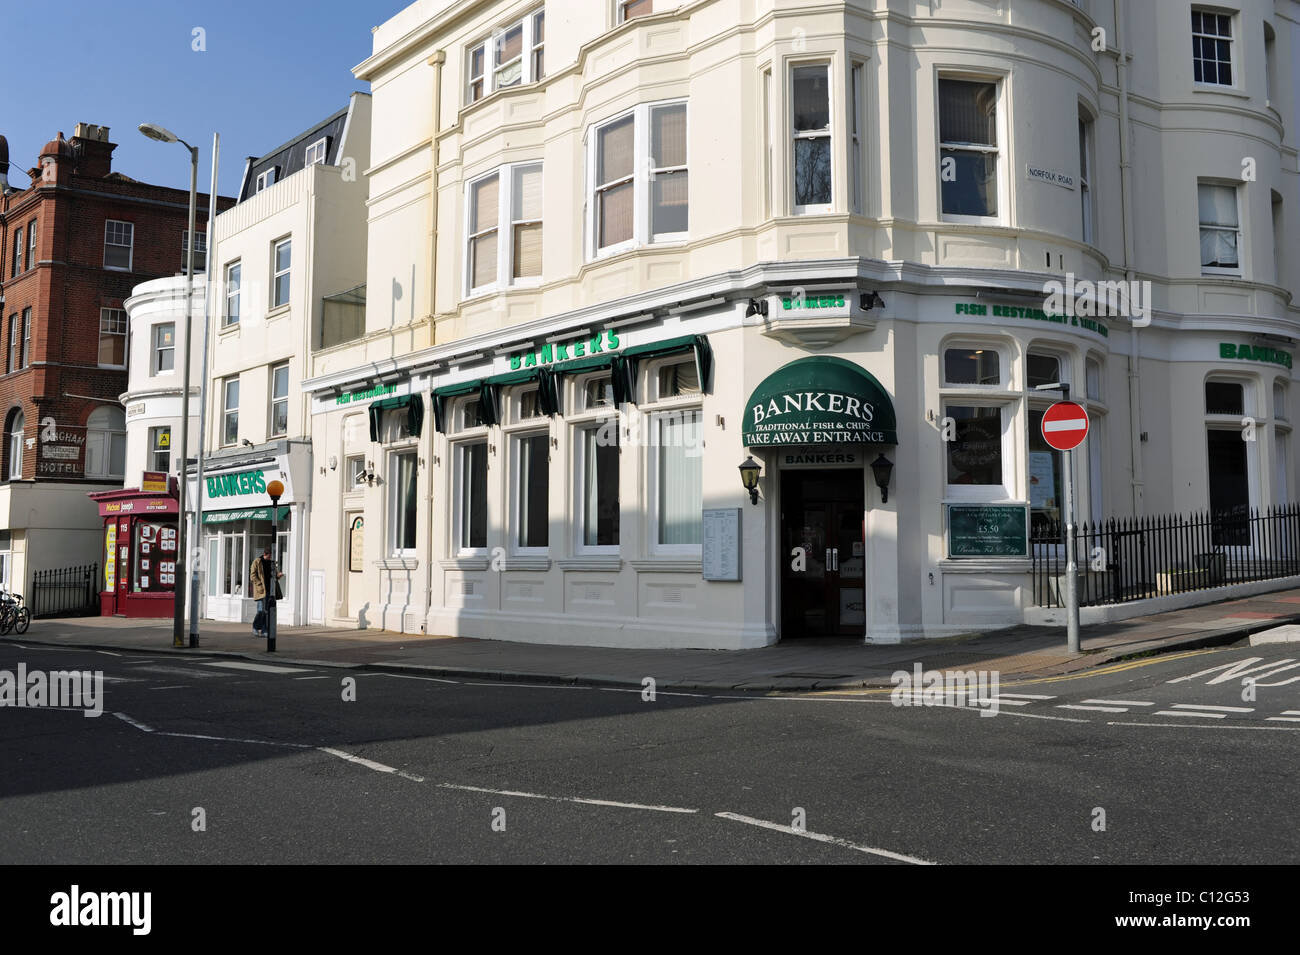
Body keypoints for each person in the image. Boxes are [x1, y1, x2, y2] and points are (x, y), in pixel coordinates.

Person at [249, 546, 284, 638]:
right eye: (269, 556)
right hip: (261, 591)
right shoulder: (257, 562)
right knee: (261, 611)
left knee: (267, 612)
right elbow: (253, 576)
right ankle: (255, 627)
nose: (270, 558)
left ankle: (264, 630)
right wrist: (259, 584)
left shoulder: (272, 563)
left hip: (270, 590)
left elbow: (273, 575)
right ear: (265, 554)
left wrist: (278, 576)